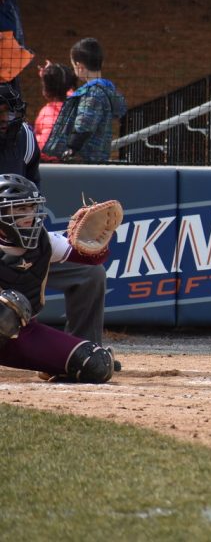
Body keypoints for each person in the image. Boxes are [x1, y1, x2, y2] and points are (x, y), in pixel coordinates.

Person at [0, 173, 117, 383]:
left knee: (97, 364)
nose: (29, 215)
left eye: (31, 207)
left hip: (23, 336)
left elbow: (90, 259)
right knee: (7, 307)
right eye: (20, 209)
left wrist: (96, 240)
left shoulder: (42, 240)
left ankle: (51, 364)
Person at [43, 37, 127, 163]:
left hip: (82, 158)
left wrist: (71, 149)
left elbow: (84, 124)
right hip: (98, 155)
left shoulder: (92, 93)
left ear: (79, 66)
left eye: (73, 66)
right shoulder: (107, 90)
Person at [34, 60, 76, 152]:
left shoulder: (48, 114)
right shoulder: (74, 103)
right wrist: (52, 75)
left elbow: (46, 149)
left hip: (52, 165)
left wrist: (31, 140)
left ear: (46, 91)